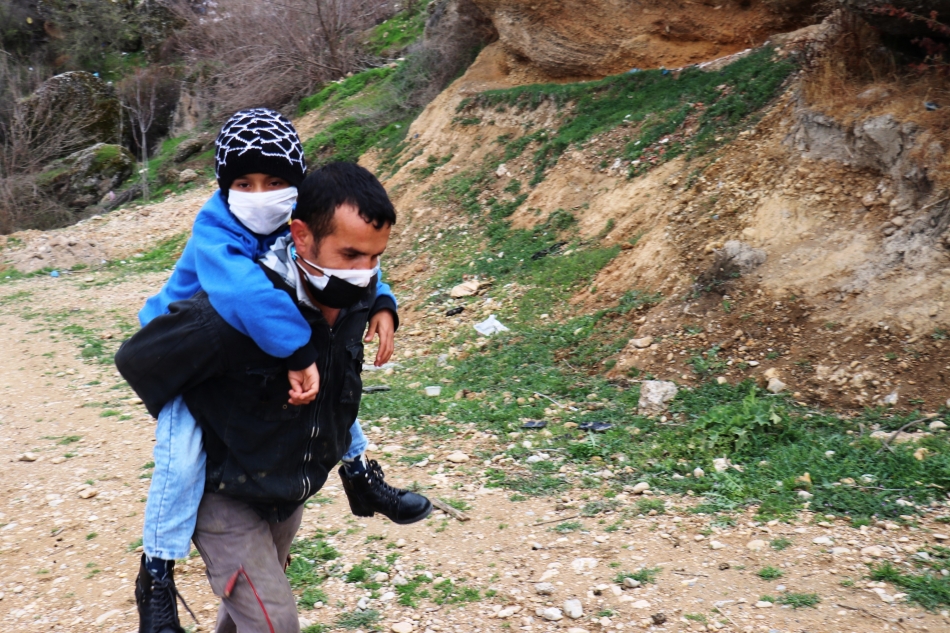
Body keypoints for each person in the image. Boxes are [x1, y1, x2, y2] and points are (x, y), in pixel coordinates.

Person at [130, 109, 430, 633]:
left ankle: (360, 475)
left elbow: (361, 256)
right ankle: (157, 573)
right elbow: (243, 293)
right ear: (225, 187)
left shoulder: (308, 232)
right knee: (179, 462)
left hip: (278, 457)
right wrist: (297, 351)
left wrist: (382, 300)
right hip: (184, 362)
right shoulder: (217, 231)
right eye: (243, 183)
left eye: (274, 181)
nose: (259, 194)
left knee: (335, 389)